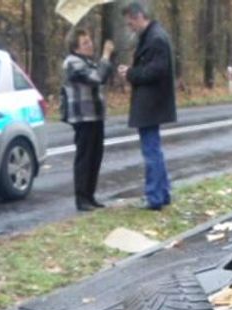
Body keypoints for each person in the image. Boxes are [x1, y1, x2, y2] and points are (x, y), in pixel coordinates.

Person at [116, 2, 176, 211]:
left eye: (130, 21)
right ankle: (163, 192)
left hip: (151, 103)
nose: (129, 26)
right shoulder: (151, 36)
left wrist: (130, 74)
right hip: (151, 103)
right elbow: (151, 67)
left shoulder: (156, 38)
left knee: (151, 151)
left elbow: (157, 70)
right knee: (154, 149)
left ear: (139, 16)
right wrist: (133, 70)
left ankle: (155, 196)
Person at [62, 28, 114, 212]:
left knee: (95, 156)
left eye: (90, 40)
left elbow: (104, 75)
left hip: (95, 116)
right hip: (83, 117)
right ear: (75, 48)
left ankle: (90, 195)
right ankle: (81, 198)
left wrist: (106, 60)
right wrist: (106, 55)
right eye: (85, 43)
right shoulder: (72, 63)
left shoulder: (88, 62)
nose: (90, 44)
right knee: (85, 157)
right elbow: (97, 78)